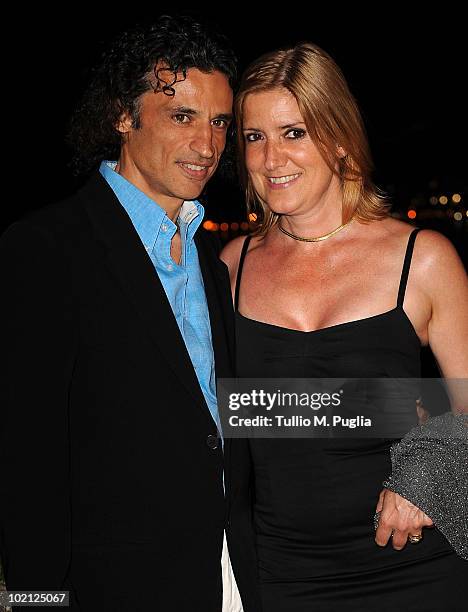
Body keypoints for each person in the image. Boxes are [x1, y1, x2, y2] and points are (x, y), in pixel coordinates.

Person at [0, 15, 259, 612]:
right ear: (123, 115)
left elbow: (229, 415)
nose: (208, 145)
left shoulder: (211, 261)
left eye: (219, 122)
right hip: (112, 589)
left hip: (229, 576)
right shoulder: (48, 248)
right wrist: (39, 603)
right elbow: (27, 464)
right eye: (182, 116)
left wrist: (406, 415)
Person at [221, 42, 468, 611]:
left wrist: (431, 466)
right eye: (254, 137)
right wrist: (383, 403)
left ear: (338, 139)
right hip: (282, 574)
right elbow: (222, 413)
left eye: (294, 133)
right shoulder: (232, 266)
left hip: (416, 565)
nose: (271, 158)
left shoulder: (421, 258)